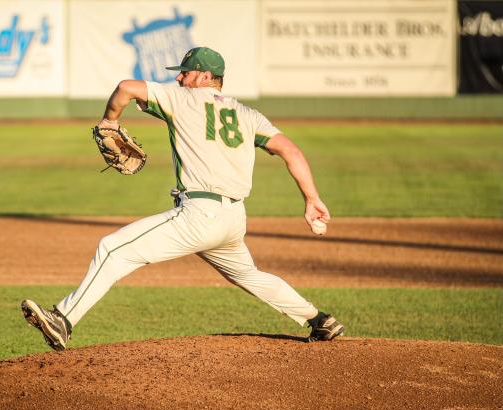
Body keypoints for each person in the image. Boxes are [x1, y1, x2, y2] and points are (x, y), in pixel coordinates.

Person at [21, 46, 344, 350]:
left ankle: (63, 319)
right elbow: (291, 150)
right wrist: (311, 198)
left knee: (113, 248)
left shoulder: (182, 98)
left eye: (185, 72)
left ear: (205, 77)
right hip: (233, 219)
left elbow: (125, 87)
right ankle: (319, 320)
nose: (179, 78)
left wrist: (110, 121)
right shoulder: (248, 115)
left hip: (199, 214)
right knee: (248, 275)